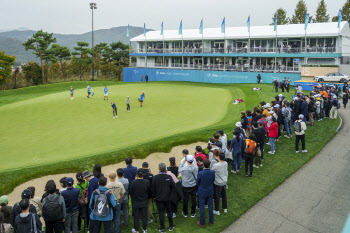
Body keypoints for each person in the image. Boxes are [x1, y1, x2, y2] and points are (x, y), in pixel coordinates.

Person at [152, 163, 175, 232]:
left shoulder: (155, 177)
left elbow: (152, 189)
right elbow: (173, 187)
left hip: (159, 199)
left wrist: (154, 197)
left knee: (161, 213)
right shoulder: (168, 177)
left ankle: (162, 228)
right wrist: (170, 195)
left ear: (159, 169)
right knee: (169, 212)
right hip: (167, 198)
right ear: (165, 169)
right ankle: (171, 226)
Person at [129, 169, 151, 233]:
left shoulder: (133, 182)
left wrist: (133, 198)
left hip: (136, 202)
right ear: (143, 174)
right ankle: (144, 229)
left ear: (137, 174)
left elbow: (130, 192)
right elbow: (149, 191)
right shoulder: (147, 182)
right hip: (144, 201)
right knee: (144, 215)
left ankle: (136, 230)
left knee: (136, 216)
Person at [196, 159, 215, 228]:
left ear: (203, 165)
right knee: (210, 206)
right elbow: (213, 180)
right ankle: (211, 221)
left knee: (202, 207)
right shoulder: (212, 172)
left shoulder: (200, 173)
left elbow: (197, 182)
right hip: (210, 190)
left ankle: (202, 223)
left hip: (202, 192)